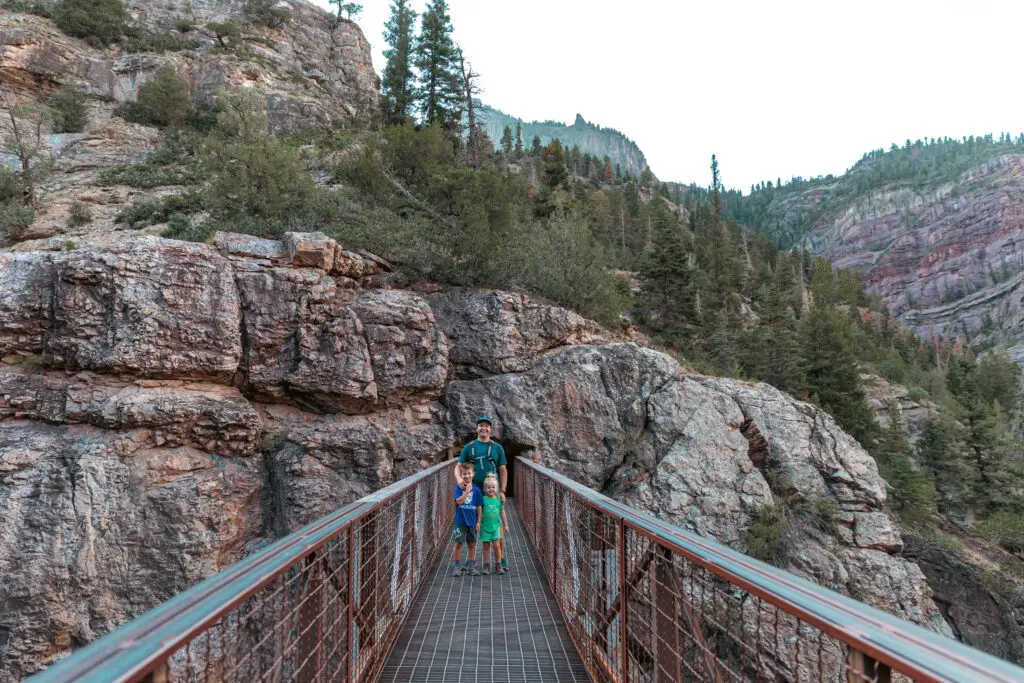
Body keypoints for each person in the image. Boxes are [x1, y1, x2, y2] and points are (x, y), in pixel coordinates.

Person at [457, 416, 510, 572]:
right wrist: (460, 479)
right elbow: (458, 465)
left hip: (492, 491)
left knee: (496, 522)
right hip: (474, 491)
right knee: (472, 523)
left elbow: (503, 470)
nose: (484, 428)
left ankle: (502, 560)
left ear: (490, 429)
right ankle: (472, 561)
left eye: (487, 426)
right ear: (476, 428)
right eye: (481, 425)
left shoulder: (497, 448)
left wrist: (503, 491)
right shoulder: (469, 447)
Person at [452, 462, 482, 577]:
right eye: (464, 474)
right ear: (461, 475)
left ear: (473, 474)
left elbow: (479, 507)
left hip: (472, 522)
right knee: (458, 544)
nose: (467, 476)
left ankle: (470, 566)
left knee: (472, 545)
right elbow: (459, 502)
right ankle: (457, 566)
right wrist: (467, 491)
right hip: (460, 521)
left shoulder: (477, 491)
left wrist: (479, 521)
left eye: (469, 473)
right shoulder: (458, 488)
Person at [479, 473, 510, 575]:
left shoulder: (498, 500)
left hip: (496, 526)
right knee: (486, 547)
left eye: (493, 487)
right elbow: (478, 512)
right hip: (485, 527)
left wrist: (505, 525)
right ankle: (486, 566)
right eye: (488, 487)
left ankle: (498, 564)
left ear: (497, 489)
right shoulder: (482, 500)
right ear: (484, 489)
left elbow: (502, 512)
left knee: (497, 546)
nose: (491, 489)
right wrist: (478, 523)